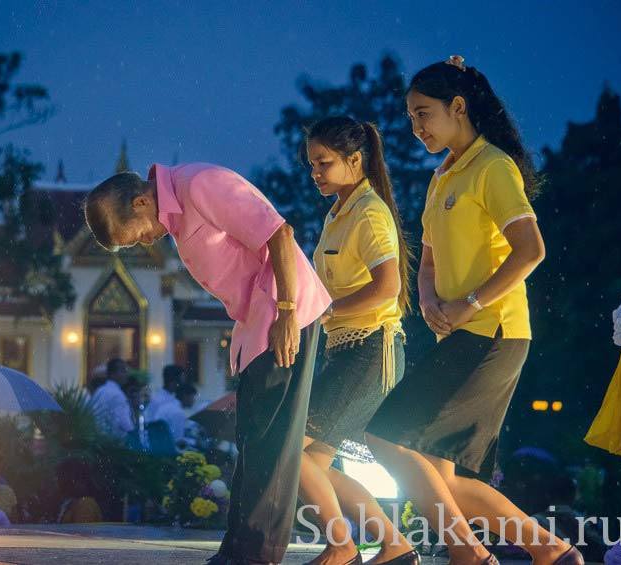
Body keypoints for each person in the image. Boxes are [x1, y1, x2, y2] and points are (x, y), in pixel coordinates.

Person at [364, 56, 581, 565]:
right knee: (442, 481)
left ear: (458, 107)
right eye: (411, 117)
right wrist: (429, 299)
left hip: (495, 334)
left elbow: (531, 250)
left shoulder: (493, 167)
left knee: (384, 433)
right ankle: (553, 554)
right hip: (461, 334)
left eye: (423, 114)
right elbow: (430, 258)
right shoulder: (442, 178)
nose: (415, 127)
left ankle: (470, 557)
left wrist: (469, 304)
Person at [84, 162, 330, 565]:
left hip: (285, 315)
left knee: (273, 441)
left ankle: (258, 556)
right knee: (250, 439)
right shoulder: (177, 214)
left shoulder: (201, 185)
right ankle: (236, 550)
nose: (146, 241)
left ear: (143, 201)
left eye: (138, 236)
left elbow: (279, 233)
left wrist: (286, 313)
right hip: (256, 324)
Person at [299, 116, 416, 565]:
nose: (315, 173)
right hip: (346, 352)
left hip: (371, 350)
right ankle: (394, 546)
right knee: (313, 462)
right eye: (311, 164)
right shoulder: (338, 213)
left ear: (354, 160)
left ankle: (343, 546)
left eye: (324, 163)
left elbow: (386, 287)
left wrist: (325, 312)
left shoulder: (368, 211)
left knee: (292, 453)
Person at [88, 358, 135, 439]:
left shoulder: (100, 390)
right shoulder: (117, 394)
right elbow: (124, 422)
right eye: (123, 371)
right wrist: (135, 436)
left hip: (99, 439)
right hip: (115, 442)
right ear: (113, 374)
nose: (126, 375)